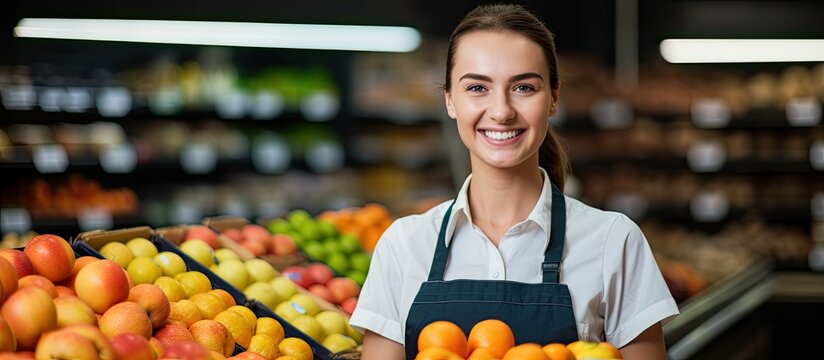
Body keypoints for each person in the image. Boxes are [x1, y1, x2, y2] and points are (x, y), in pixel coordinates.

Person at [350, 4, 679, 359]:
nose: (502, 111)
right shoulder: (404, 245)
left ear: (553, 99)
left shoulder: (614, 242)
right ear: (450, 100)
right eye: (477, 87)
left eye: (523, 87)